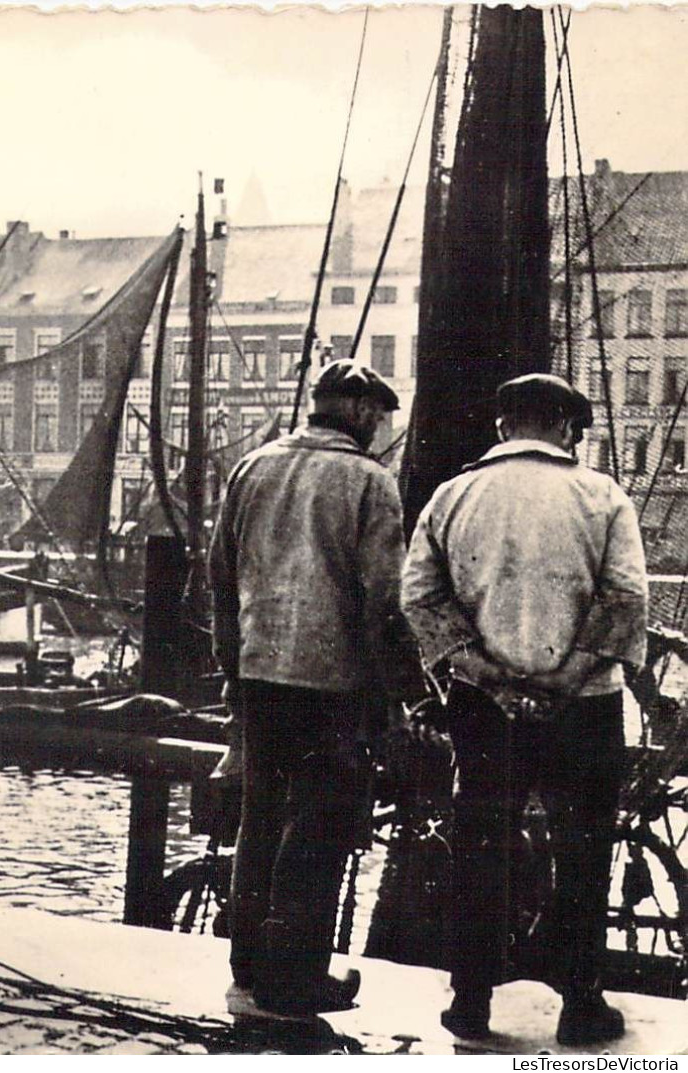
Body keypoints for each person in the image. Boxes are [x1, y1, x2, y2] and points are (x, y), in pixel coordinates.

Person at [402, 373, 647, 1045]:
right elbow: (625, 599)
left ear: (503, 425)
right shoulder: (602, 496)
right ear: (567, 428)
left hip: (485, 707)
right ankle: (579, 1002)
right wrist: (565, 676)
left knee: (479, 845)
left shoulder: (451, 495)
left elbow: (420, 598)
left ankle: (471, 999)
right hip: (583, 706)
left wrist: (490, 676)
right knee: (582, 848)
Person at [209, 360, 408, 1017]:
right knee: (317, 825)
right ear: (358, 412)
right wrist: (395, 695)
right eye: (378, 418)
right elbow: (383, 603)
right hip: (332, 684)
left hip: (260, 673)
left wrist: (232, 673)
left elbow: (217, 578)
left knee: (260, 815)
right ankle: (294, 978)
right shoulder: (368, 482)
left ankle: (248, 967)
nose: (381, 430)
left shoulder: (252, 467)